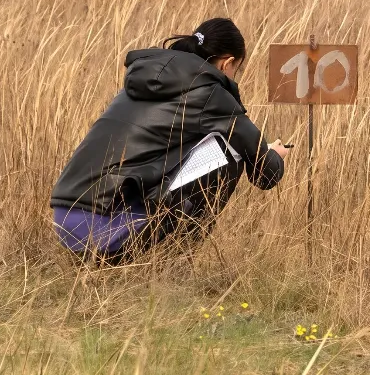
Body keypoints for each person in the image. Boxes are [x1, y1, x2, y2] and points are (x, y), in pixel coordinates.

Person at [50, 17, 288, 262]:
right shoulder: (210, 94)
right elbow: (266, 174)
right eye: (237, 69)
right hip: (105, 228)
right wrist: (274, 154)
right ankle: (174, 267)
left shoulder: (138, 83)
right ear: (227, 63)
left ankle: (118, 263)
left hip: (66, 219)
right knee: (229, 154)